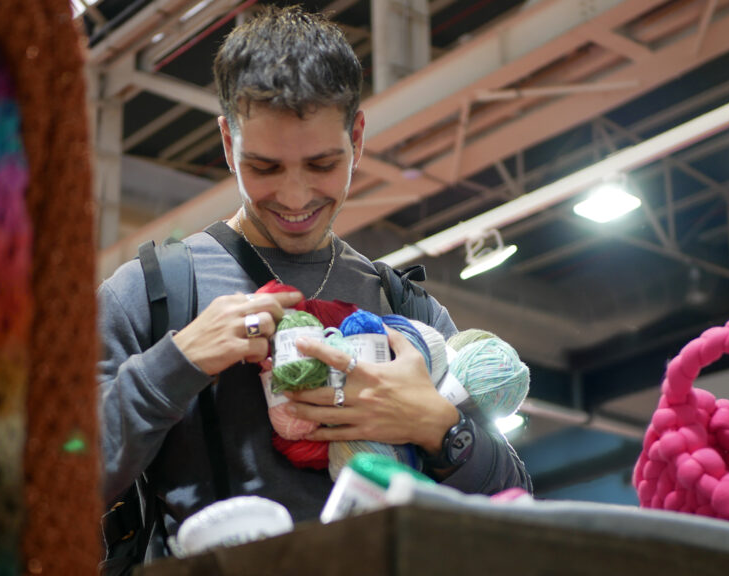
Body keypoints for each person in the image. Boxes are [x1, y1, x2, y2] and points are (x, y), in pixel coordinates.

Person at [97, 4, 529, 566]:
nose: (296, 197)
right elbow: (54, 483)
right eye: (266, 167)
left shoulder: (406, 310)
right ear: (228, 143)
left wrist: (439, 428)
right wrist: (174, 365)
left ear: (357, 136)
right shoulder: (150, 294)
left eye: (323, 164)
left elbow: (515, 509)